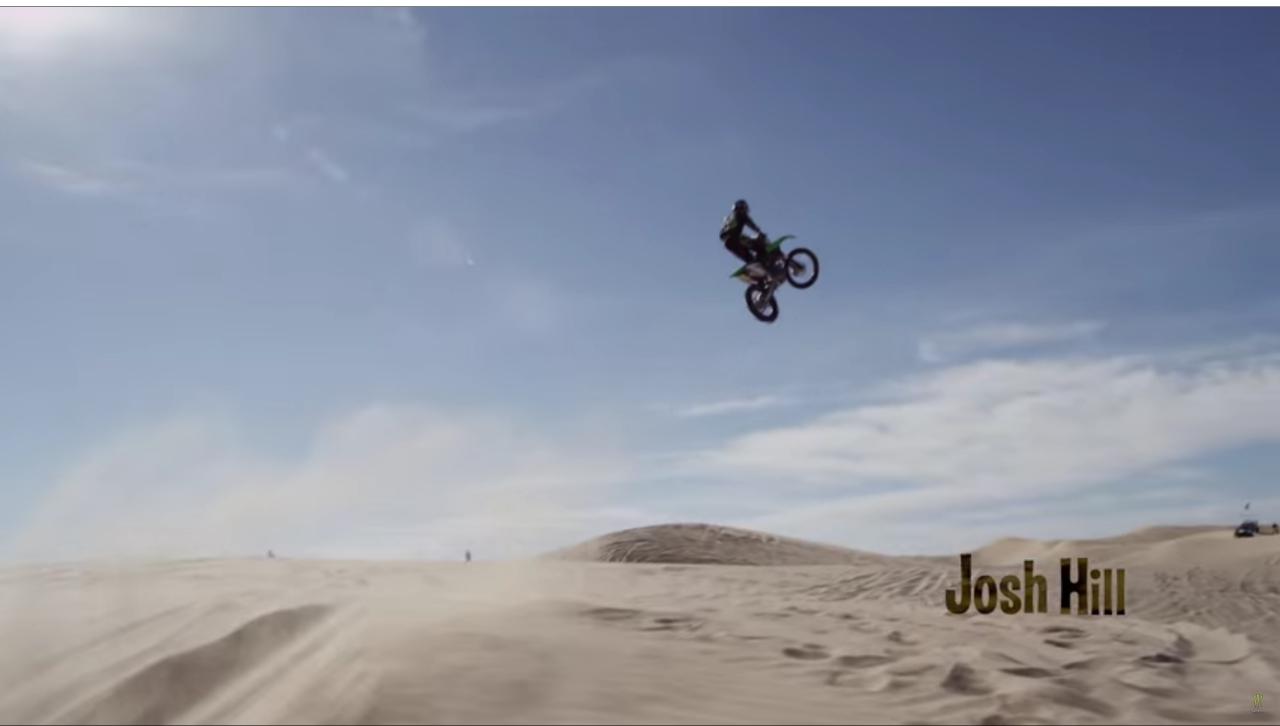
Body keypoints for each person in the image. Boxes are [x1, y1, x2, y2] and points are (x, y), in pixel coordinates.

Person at [720, 199, 774, 271]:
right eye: (745, 208)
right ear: (742, 208)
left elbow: (722, 234)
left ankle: (758, 270)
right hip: (736, 239)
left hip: (728, 244)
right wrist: (760, 232)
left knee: (748, 258)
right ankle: (765, 262)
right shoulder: (741, 215)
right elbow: (751, 225)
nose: (745, 211)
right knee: (758, 246)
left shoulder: (730, 217)